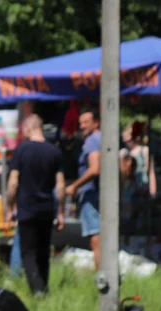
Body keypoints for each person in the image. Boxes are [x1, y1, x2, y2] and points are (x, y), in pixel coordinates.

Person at [6, 114, 65, 295]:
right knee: (43, 252)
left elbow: (13, 182)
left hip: (27, 207)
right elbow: (61, 185)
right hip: (47, 208)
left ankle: (38, 291)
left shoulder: (21, 150)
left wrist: (10, 207)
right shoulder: (55, 152)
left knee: (28, 252)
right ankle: (44, 289)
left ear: (27, 128)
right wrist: (61, 211)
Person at [65, 110, 102, 269]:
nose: (82, 126)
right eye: (80, 123)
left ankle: (102, 277)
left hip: (91, 195)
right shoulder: (105, 139)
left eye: (86, 122)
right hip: (102, 194)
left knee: (96, 239)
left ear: (97, 122)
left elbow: (95, 169)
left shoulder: (93, 141)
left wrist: (74, 185)